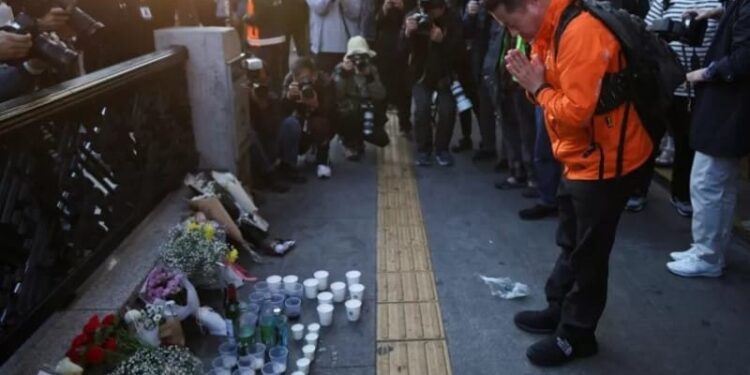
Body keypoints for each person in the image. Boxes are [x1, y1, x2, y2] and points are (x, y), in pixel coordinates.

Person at [486, 0, 653, 366]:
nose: (512, 34)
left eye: (511, 24)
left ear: (530, 5)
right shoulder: (548, 33)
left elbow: (576, 111)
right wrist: (535, 85)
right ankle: (558, 309)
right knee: (571, 241)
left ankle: (577, 335)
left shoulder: (579, 32)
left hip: (606, 164)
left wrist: (538, 87)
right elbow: (550, 93)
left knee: (589, 253)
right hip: (578, 159)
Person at [666, 0, 750, 277]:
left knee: (707, 183)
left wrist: (700, 74)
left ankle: (707, 255)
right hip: (731, 108)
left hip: (729, 107)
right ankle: (711, 250)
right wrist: (716, 12)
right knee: (721, 186)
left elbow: (742, 59)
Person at [625, 0, 722, 216]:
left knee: (686, 145)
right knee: (648, 139)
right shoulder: (665, 1)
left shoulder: (716, 3)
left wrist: (712, 15)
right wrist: (665, 31)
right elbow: (645, 31)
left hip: (695, 87)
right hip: (662, 84)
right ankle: (637, 190)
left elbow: (725, 33)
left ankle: (681, 194)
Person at [400, 0, 463, 166]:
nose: (429, 15)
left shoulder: (453, 19)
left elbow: (460, 53)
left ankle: (442, 149)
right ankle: (423, 150)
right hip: (420, 75)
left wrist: (443, 40)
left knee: (447, 110)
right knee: (421, 109)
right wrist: (407, 32)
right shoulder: (413, 16)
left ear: (442, 8)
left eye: (432, 11)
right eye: (426, 10)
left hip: (445, 75)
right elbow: (401, 50)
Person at [279, 57, 336, 180]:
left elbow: (332, 112)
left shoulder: (326, 82)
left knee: (320, 123)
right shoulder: (290, 81)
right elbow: (281, 112)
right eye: (297, 78)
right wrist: (288, 98)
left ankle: (322, 159)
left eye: (305, 78)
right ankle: (289, 164)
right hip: (299, 120)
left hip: (321, 121)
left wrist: (316, 104)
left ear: (314, 75)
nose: (301, 82)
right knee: (290, 124)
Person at [493, 30, 536, 191]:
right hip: (505, 84)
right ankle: (517, 172)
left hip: (523, 87)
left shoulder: (525, 25)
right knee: (510, 130)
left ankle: (532, 176)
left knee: (527, 133)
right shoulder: (502, 29)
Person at [332, 36, 387, 160]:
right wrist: (344, 75)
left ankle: (359, 139)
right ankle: (348, 143)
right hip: (349, 111)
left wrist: (369, 77)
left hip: (367, 109)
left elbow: (381, 95)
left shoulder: (372, 70)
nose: (359, 61)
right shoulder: (341, 69)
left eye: (363, 57)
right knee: (351, 112)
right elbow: (336, 95)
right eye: (355, 58)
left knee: (382, 139)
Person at [463, 0, 501, 161]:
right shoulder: (475, 5)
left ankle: (513, 160)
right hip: (482, 59)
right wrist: (470, 15)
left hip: (502, 57)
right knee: (484, 105)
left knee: (506, 111)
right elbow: (465, 32)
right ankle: (488, 145)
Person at [375, 0, 415, 137]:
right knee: (383, 86)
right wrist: (384, 9)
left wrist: (403, 7)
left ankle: (405, 123)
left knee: (404, 87)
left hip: (405, 44)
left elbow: (417, 15)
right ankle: (379, 124)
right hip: (384, 46)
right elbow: (374, 23)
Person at [518, 107, 561, 220]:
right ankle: (550, 195)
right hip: (547, 99)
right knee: (544, 149)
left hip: (553, 98)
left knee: (545, 150)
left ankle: (550, 199)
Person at [239, 0, 290, 92]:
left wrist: (246, 18)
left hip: (264, 39)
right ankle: (276, 96)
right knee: (276, 73)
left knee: (264, 74)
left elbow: (260, 15)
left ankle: (267, 99)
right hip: (276, 35)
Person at [307, 0, 362, 73]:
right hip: (323, 47)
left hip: (347, 46)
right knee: (325, 80)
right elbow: (319, 8)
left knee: (347, 81)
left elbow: (355, 13)